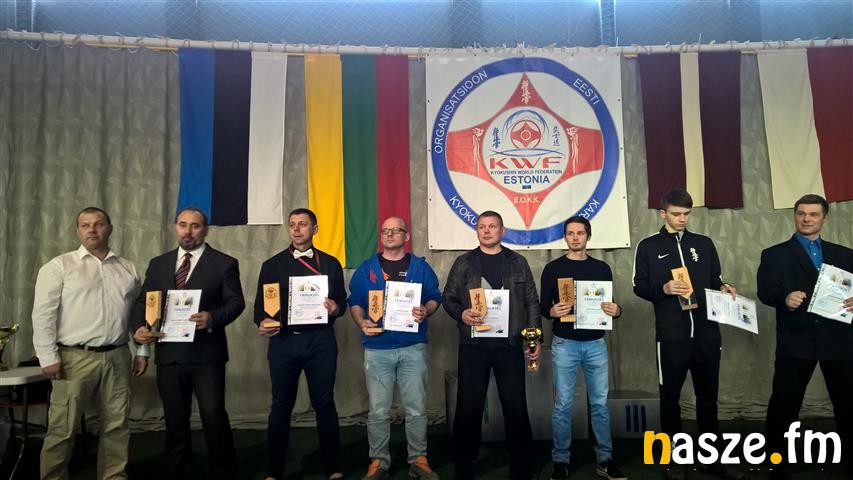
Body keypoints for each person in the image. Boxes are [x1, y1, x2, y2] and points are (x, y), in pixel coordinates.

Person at [632, 189, 742, 480]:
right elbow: (638, 285)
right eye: (676, 214)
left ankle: (712, 459)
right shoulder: (648, 246)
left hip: (707, 334)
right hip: (671, 337)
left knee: (708, 399)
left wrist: (725, 287)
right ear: (663, 214)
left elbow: (716, 278)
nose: (682, 219)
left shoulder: (703, 243)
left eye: (687, 214)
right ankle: (674, 459)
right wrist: (664, 289)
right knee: (670, 400)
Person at [32, 207, 148, 480]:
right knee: (62, 428)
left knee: (117, 425)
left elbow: (139, 315)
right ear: (78, 231)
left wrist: (142, 350)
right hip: (73, 358)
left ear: (110, 228)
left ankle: (113, 476)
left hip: (118, 356)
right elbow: (43, 314)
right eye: (85, 225)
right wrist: (48, 357)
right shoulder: (59, 267)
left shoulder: (128, 269)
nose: (92, 230)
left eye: (98, 224)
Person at [132, 207, 244, 480]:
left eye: (195, 226)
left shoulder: (224, 263)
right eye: (183, 225)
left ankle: (224, 473)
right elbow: (144, 301)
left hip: (206, 355)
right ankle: (177, 472)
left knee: (213, 417)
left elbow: (236, 302)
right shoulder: (158, 264)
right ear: (175, 227)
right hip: (169, 354)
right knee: (174, 420)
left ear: (205, 230)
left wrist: (213, 317)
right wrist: (138, 329)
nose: (188, 231)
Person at [757, 194, 853, 480]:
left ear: (824, 218)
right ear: (795, 216)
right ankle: (776, 461)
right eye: (801, 213)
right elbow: (765, 291)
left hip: (839, 339)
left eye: (813, 214)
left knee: (848, 403)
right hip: (796, 339)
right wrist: (784, 297)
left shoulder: (845, 255)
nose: (806, 219)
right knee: (785, 404)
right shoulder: (774, 254)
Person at [442, 210, 541, 480]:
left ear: (502, 230)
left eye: (492, 226)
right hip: (474, 345)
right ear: (477, 230)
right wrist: (461, 313)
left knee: (515, 406)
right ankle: (464, 465)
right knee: (469, 407)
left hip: (509, 344)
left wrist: (534, 337)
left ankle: (522, 467)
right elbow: (448, 298)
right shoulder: (464, 262)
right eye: (482, 226)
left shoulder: (518, 262)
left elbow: (532, 301)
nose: (487, 231)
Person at [254, 208, 347, 480]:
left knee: (324, 404)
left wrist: (335, 308)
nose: (296, 229)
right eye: (292, 224)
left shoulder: (330, 263)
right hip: (284, 342)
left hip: (320, 341)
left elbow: (342, 302)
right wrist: (262, 321)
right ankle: (274, 471)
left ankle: (333, 468)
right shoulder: (271, 265)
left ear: (314, 229)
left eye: (303, 224)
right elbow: (260, 308)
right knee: (281, 405)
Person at [348, 216, 442, 480]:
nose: (389, 234)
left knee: (416, 408)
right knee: (378, 410)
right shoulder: (367, 268)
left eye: (395, 230)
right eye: (385, 230)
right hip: (377, 348)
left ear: (406, 236)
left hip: (412, 347)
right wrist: (361, 322)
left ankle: (419, 459)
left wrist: (426, 310)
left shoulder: (420, 268)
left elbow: (435, 297)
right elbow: (355, 301)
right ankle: (378, 461)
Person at [540, 216, 627, 480]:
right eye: (570, 233)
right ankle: (560, 461)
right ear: (565, 237)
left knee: (599, 404)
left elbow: (609, 305)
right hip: (564, 343)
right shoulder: (553, 269)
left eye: (580, 233)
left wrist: (617, 310)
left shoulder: (602, 269)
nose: (575, 237)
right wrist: (552, 311)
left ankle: (605, 460)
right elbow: (543, 306)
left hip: (595, 343)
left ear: (588, 236)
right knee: (563, 405)